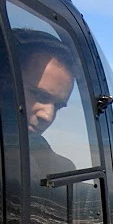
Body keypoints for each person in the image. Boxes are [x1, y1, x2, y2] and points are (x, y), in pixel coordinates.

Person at [12, 26, 79, 180]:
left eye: (58, 106)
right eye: (39, 95)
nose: (48, 116)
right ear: (4, 82)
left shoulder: (58, 171)